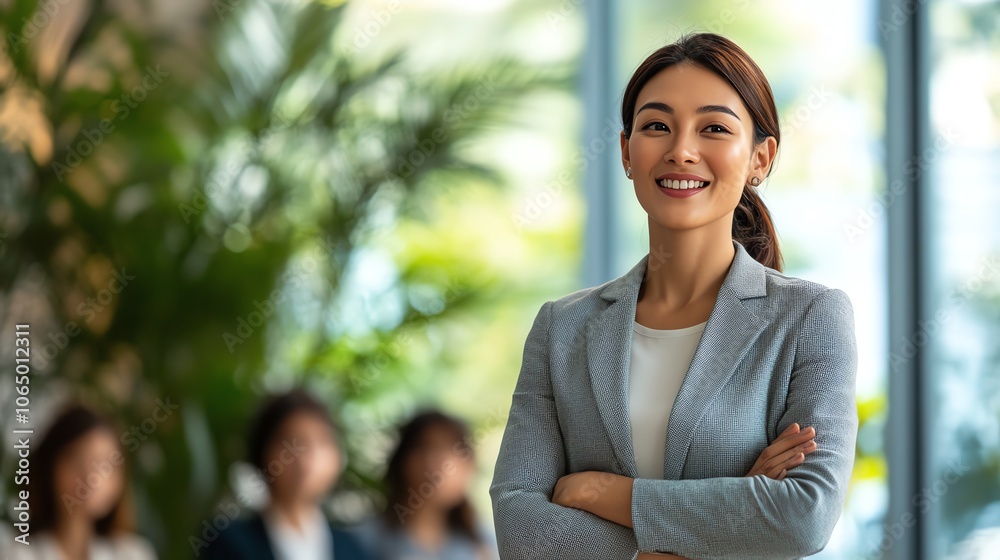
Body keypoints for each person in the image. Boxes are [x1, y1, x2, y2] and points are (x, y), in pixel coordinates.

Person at [490, 32, 858, 560]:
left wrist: (606, 494)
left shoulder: (809, 319)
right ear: (626, 152)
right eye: (657, 126)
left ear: (761, 158)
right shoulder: (561, 327)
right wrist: (724, 516)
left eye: (713, 128)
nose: (681, 150)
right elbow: (518, 524)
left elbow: (802, 516)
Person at [201, 388, 370, 560]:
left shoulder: (352, 549)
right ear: (263, 450)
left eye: (321, 442)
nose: (306, 459)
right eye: (291, 443)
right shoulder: (229, 543)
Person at [6, 404, 157, 560]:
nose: (90, 476)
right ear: (49, 468)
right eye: (77, 461)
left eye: (105, 464)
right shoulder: (20, 555)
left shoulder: (133, 554)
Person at [353, 410, 499, 560]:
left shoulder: (488, 543)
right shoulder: (364, 540)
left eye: (455, 450)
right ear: (403, 460)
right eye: (428, 448)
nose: (440, 464)